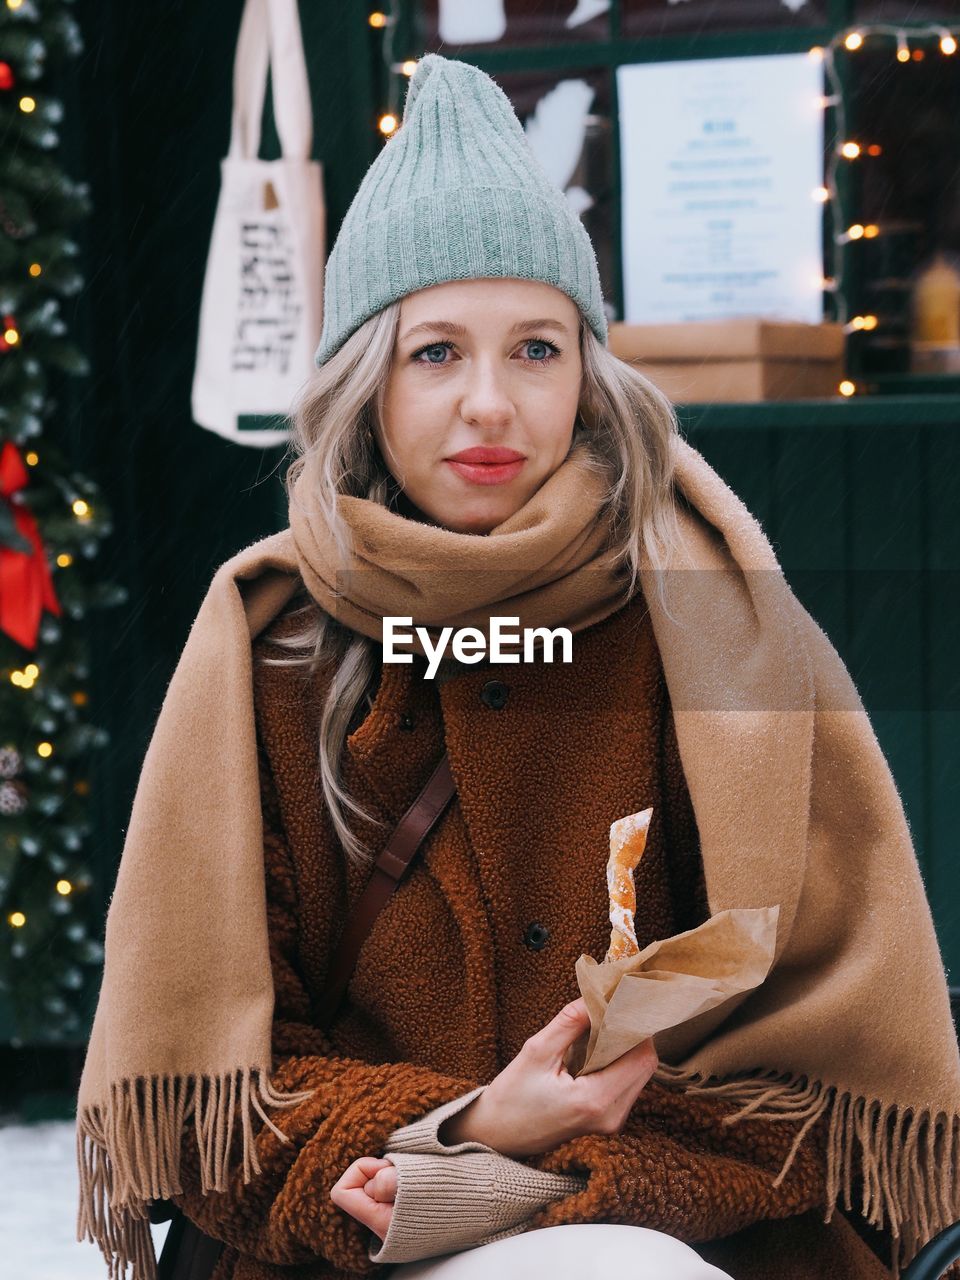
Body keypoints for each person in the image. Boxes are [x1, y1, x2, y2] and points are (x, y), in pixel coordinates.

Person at [75, 54, 960, 1280]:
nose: (490, 404)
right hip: (341, 1240)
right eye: (436, 352)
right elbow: (221, 1114)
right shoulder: (268, 649)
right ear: (363, 381)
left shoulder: (717, 629)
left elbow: (818, 1092)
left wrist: (547, 1183)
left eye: (536, 349)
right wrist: (475, 1131)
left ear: (589, 379)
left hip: (692, 1234)